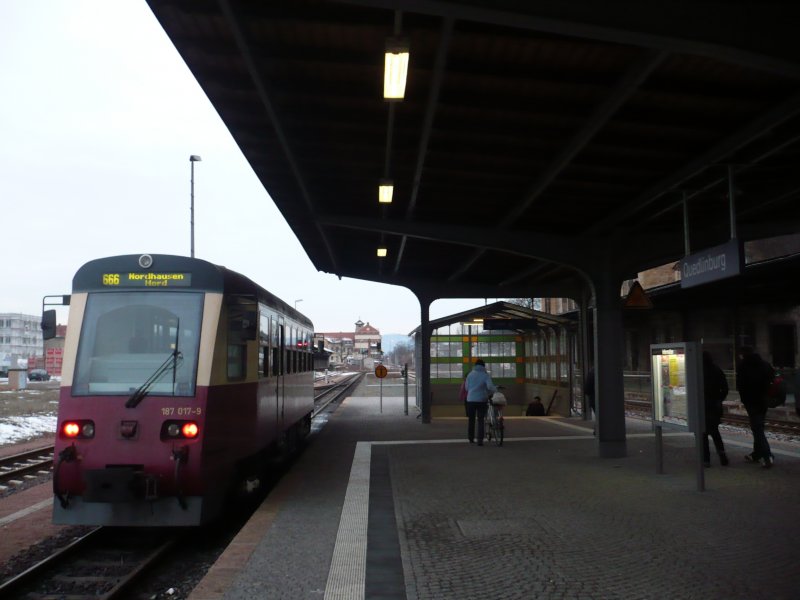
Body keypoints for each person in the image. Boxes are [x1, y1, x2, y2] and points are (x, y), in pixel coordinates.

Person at [735, 346, 773, 468]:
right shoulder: (765, 365)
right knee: (758, 426)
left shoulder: (743, 367)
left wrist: (744, 399)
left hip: (751, 402)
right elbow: (772, 379)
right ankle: (756, 454)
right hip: (764, 401)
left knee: (757, 429)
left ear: (743, 355)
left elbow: (740, 385)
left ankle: (767, 456)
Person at [702, 351, 729, 467]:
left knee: (702, 434)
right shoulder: (717, 370)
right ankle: (722, 454)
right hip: (714, 406)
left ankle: (706, 460)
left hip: (701, 406)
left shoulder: (697, 370)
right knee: (715, 432)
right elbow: (725, 388)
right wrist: (719, 399)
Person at [464, 358, 496, 446]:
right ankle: (480, 440)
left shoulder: (470, 375)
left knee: (471, 420)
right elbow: (490, 387)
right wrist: (495, 389)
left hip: (470, 400)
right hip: (482, 400)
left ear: (475, 366)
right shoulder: (485, 375)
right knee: (481, 420)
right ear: (483, 366)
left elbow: (466, 388)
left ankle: (471, 438)